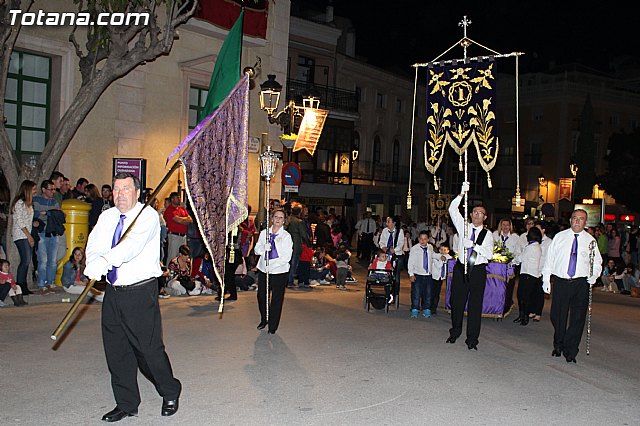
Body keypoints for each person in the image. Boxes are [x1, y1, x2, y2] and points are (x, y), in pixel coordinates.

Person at [84, 172, 181, 421]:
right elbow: (94, 242)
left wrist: (106, 260)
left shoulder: (146, 216)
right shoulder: (107, 216)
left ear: (137, 193)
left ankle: (170, 390)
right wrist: (93, 262)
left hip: (139, 291)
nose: (120, 194)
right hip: (114, 292)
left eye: (126, 189)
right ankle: (126, 403)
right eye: (116, 189)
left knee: (148, 350)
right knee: (117, 350)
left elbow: (130, 247)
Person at [542, 209, 602, 364]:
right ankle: (558, 343)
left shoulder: (591, 241)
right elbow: (550, 259)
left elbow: (597, 263)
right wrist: (546, 279)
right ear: (570, 220)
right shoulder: (559, 237)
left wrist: (594, 276)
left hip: (580, 283)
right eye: (574, 218)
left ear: (585, 222)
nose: (577, 221)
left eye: (581, 219)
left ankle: (571, 350)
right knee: (557, 316)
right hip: (562, 282)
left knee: (577, 319)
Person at [446, 182, 494, 350]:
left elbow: (489, 254)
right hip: (461, 268)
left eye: (480, 213)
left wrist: (474, 245)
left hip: (478, 271)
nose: (476, 215)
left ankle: (472, 338)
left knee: (475, 306)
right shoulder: (464, 227)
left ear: (485, 217)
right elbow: (452, 210)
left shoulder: (488, 235)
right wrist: (461, 194)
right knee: (457, 302)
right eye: (474, 212)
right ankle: (455, 331)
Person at [254, 209, 292, 334]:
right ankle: (265, 318)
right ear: (271, 218)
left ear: (284, 221)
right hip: (264, 270)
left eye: (281, 218)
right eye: (276, 217)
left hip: (279, 271)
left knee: (276, 299)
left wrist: (273, 265)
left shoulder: (286, 236)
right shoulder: (264, 233)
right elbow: (256, 250)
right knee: (261, 296)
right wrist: (263, 248)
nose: (278, 219)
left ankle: (273, 326)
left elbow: (286, 257)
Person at [32, 179, 64, 294]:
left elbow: (58, 215)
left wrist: (45, 213)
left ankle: (50, 282)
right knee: (43, 260)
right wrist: (49, 212)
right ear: (44, 190)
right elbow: (35, 213)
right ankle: (41, 284)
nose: (53, 192)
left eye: (54, 189)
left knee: (52, 260)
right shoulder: (36, 200)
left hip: (53, 232)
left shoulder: (54, 201)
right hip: (41, 233)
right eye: (50, 189)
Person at [10, 180, 37, 295]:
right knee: (25, 260)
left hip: (26, 234)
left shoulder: (28, 204)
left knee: (27, 260)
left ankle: (23, 285)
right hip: (21, 235)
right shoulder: (19, 203)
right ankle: (20, 285)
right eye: (34, 189)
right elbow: (20, 221)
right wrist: (29, 236)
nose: (35, 191)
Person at [512, 227, 543, 326]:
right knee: (523, 296)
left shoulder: (531, 247)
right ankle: (522, 316)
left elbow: (521, 258)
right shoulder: (536, 246)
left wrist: (512, 260)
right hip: (531, 275)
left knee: (523, 297)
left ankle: (524, 317)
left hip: (528, 275)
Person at [407, 230, 434, 318]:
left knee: (428, 293)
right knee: (416, 293)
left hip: (428, 275)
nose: (423, 241)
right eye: (421, 239)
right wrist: (411, 274)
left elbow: (432, 257)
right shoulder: (414, 249)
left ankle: (427, 309)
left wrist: (440, 256)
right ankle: (415, 308)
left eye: (425, 239)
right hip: (418, 274)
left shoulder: (430, 247)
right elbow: (410, 262)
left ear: (428, 240)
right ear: (418, 239)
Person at [379, 215, 405, 303]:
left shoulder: (400, 231)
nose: (387, 224)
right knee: (387, 274)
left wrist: (394, 250)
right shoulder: (385, 231)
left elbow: (401, 243)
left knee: (396, 277)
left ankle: (395, 294)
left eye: (389, 222)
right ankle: (387, 294)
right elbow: (381, 241)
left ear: (394, 223)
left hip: (397, 255)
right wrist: (384, 247)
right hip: (386, 255)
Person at [163, 192, 192, 262]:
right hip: (174, 236)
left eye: (179, 197)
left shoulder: (182, 209)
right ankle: (170, 271)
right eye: (177, 198)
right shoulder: (169, 210)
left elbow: (190, 219)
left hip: (183, 236)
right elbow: (179, 220)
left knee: (183, 257)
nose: (179, 199)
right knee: (172, 256)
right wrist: (184, 219)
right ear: (172, 199)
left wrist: (181, 219)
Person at [430, 242, 452, 315]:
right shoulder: (436, 257)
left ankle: (434, 308)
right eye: (441, 250)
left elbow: (450, 259)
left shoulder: (448, 256)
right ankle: (428, 307)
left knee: (437, 293)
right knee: (432, 293)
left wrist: (444, 259)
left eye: (445, 250)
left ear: (448, 251)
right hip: (434, 277)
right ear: (439, 250)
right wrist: (442, 259)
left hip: (441, 278)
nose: (443, 252)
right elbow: (438, 265)